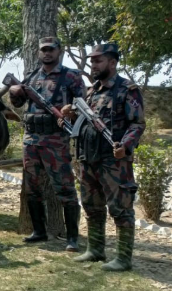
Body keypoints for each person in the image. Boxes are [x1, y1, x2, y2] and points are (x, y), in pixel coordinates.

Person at [62, 43, 145, 272]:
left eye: (98, 60)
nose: (93, 64)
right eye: (92, 61)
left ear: (112, 62)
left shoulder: (127, 89)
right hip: (88, 157)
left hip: (114, 160)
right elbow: (86, 117)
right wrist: (71, 111)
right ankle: (96, 249)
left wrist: (125, 146)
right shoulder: (92, 91)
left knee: (120, 208)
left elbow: (137, 123)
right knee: (91, 205)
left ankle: (123, 258)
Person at [8, 37, 85, 251]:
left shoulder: (72, 77)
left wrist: (69, 110)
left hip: (56, 141)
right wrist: (13, 94)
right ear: (38, 52)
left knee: (65, 188)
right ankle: (39, 231)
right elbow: (19, 103)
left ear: (59, 51)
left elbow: (84, 107)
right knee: (32, 188)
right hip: (31, 140)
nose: (47, 53)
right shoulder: (31, 77)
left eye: (51, 50)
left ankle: (72, 237)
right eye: (43, 50)